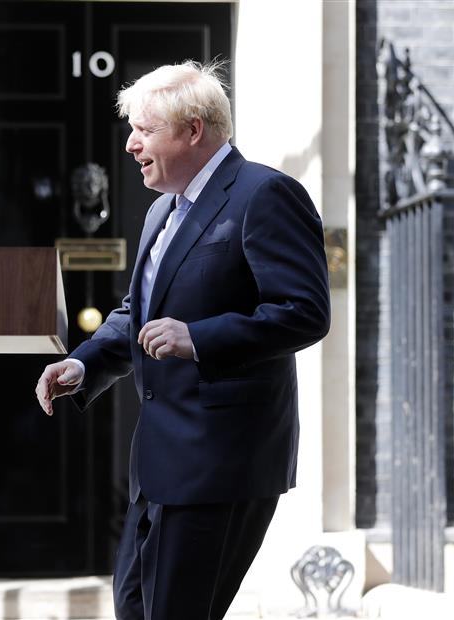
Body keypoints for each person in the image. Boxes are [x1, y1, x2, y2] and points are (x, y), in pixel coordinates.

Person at [35, 60, 330, 620]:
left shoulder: (265, 193)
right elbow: (139, 312)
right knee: (133, 608)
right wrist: (86, 363)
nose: (130, 145)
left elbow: (305, 312)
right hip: (158, 463)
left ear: (193, 130)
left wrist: (198, 338)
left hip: (222, 460)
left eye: (144, 130)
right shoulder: (159, 212)